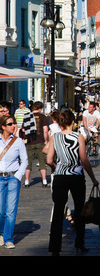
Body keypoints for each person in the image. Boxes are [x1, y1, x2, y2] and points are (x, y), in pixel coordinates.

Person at [47, 110, 99, 256]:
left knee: (58, 211)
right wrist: (93, 179)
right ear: (72, 122)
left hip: (60, 177)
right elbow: (84, 160)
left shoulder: (54, 137)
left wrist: (58, 168)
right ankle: (80, 243)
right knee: (80, 210)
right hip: (76, 176)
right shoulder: (78, 136)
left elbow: (49, 160)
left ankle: (55, 247)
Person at [0, 114, 28, 248]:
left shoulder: (18, 141)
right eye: (10, 124)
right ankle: (1, 233)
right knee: (0, 210)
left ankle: (8, 238)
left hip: (12, 178)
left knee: (11, 210)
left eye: (14, 123)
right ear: (3, 127)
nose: (13, 126)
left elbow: (25, 160)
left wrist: (18, 176)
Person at [22, 101, 50, 188]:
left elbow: (23, 129)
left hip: (30, 141)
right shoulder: (43, 117)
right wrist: (45, 140)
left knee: (28, 162)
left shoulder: (27, 116)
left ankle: (26, 181)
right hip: (40, 141)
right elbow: (45, 130)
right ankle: (44, 181)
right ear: (40, 108)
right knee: (42, 162)